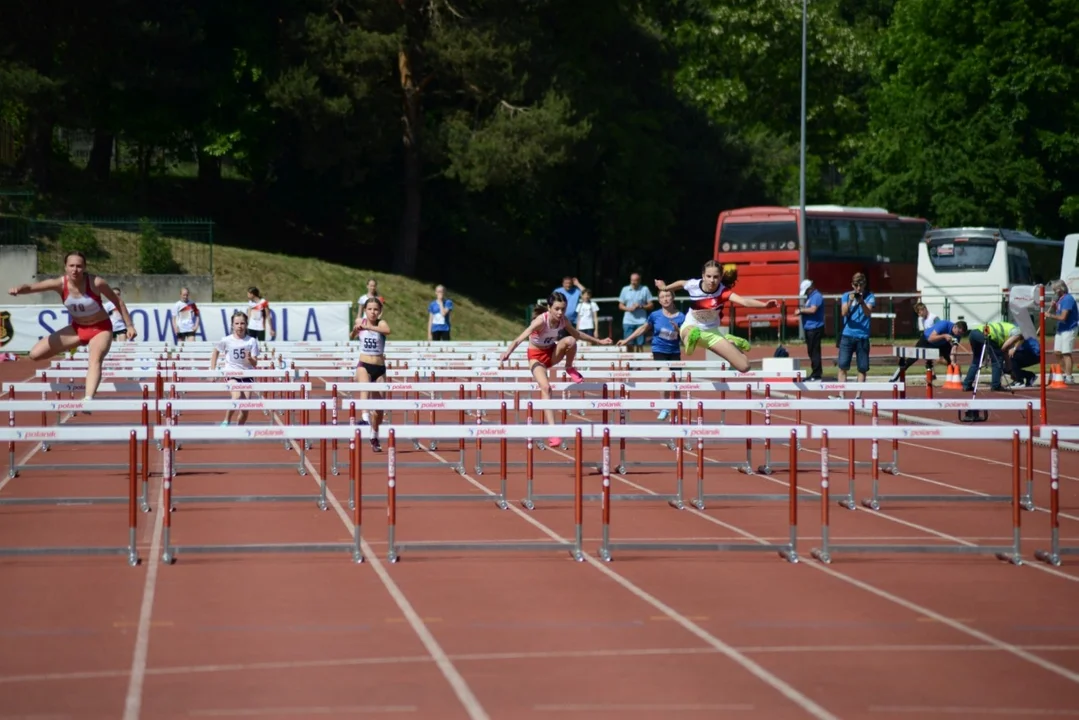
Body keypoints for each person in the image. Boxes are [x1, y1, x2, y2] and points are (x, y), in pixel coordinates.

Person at [7, 250, 136, 401]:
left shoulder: (96, 283)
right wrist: (18, 289)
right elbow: (32, 287)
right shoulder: (59, 284)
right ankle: (69, 346)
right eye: (72, 266)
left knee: (94, 359)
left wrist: (129, 325)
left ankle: (88, 398)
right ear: (65, 267)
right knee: (35, 354)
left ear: (85, 267)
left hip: (100, 329)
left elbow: (118, 302)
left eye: (79, 266)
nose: (75, 270)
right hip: (77, 329)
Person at [500, 291, 611, 448]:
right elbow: (519, 338)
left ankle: (569, 367)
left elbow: (577, 334)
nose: (560, 313)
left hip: (551, 353)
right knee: (546, 387)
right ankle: (553, 431)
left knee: (571, 340)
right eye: (557, 309)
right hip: (536, 357)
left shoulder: (563, 320)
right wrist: (508, 353)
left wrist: (598, 341)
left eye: (563, 309)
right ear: (549, 307)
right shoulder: (540, 321)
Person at [654, 262, 777, 372]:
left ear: (721, 277)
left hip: (712, 333)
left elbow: (744, 302)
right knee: (687, 333)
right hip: (691, 327)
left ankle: (729, 341)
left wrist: (765, 305)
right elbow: (681, 283)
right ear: (703, 275)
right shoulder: (694, 285)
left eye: (715, 277)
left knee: (744, 366)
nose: (712, 280)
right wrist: (665, 288)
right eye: (708, 276)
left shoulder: (723, 292)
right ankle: (689, 343)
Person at [619, 287, 685, 420]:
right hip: (659, 350)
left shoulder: (682, 316)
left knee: (677, 381)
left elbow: (687, 337)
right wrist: (627, 340)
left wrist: (680, 331)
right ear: (659, 300)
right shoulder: (655, 315)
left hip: (674, 351)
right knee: (666, 376)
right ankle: (665, 407)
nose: (665, 299)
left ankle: (677, 410)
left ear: (673, 298)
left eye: (668, 296)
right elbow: (643, 328)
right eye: (662, 297)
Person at [351, 297, 391, 453]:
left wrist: (369, 327)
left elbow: (387, 331)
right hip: (364, 364)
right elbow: (352, 335)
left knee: (379, 411)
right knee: (365, 385)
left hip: (380, 369)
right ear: (365, 310)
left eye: (375, 309)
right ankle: (365, 417)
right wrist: (356, 329)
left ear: (379, 311)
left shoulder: (381, 324)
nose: (373, 312)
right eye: (370, 309)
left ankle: (374, 436)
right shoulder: (360, 321)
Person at [209, 311, 261, 426]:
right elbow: (215, 352)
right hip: (231, 373)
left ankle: (239, 428)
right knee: (236, 396)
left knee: (245, 409)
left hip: (247, 375)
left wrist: (250, 359)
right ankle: (226, 420)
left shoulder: (251, 341)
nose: (239, 326)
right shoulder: (226, 340)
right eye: (237, 323)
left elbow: (255, 363)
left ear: (246, 325)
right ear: (232, 325)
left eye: (242, 323)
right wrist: (213, 371)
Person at [835, 273, 875, 398]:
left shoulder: (870, 296)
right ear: (852, 285)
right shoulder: (846, 296)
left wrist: (862, 302)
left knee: (862, 368)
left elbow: (868, 313)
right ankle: (841, 395)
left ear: (864, 285)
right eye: (856, 285)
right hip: (847, 335)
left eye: (861, 285)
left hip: (862, 337)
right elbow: (843, 312)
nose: (859, 288)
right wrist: (851, 300)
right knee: (842, 366)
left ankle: (858, 396)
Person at [1048, 280, 1076, 384]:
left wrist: (1050, 316)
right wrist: (1055, 307)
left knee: (1066, 353)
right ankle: (1064, 372)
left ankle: (1069, 376)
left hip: (1069, 328)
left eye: (1055, 289)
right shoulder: (1060, 300)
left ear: (1060, 289)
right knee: (1057, 352)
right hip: (1061, 329)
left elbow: (1063, 317)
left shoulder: (1068, 299)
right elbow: (1059, 312)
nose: (1054, 292)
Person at [618, 273, 653, 353]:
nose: (633, 282)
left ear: (639, 281)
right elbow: (620, 305)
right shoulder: (625, 289)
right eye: (632, 280)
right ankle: (630, 362)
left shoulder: (645, 289)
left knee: (640, 344)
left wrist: (641, 306)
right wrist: (628, 309)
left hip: (641, 322)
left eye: (635, 280)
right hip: (628, 321)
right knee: (628, 343)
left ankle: (639, 362)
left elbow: (651, 305)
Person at [797, 279, 824, 380]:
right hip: (809, 327)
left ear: (810, 288)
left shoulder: (816, 296)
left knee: (814, 351)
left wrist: (801, 310)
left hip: (815, 328)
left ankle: (817, 374)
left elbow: (813, 309)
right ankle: (815, 372)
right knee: (811, 351)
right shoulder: (810, 296)